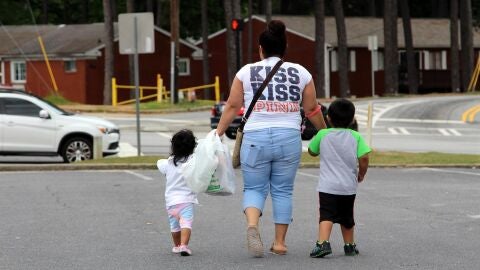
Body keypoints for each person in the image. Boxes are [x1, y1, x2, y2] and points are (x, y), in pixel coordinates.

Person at [215, 20, 327, 257]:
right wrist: (325, 132)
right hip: (288, 137)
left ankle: (253, 225)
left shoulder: (246, 72)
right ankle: (279, 243)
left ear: (260, 49)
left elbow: (234, 105)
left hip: (255, 137)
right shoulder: (301, 72)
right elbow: (312, 110)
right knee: (283, 191)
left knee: (254, 187)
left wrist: (219, 132)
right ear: (285, 48)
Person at [307, 98, 371, 258]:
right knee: (347, 217)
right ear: (352, 119)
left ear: (328, 118)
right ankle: (349, 245)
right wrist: (361, 173)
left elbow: (311, 151)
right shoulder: (356, 137)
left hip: (327, 186)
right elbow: (364, 158)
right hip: (348, 186)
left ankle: (323, 243)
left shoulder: (323, 134)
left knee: (326, 215)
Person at [157, 129, 198, 256]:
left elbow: (159, 164)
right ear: (192, 146)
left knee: (174, 227)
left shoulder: (169, 162)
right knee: (186, 224)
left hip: (171, 202)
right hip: (186, 200)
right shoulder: (193, 160)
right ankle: (184, 246)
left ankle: (176, 246)